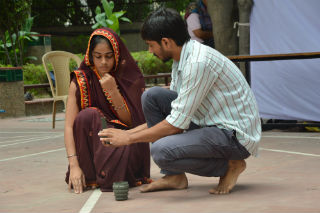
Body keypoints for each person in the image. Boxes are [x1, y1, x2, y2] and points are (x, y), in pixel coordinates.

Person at [99, 8, 261, 195]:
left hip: (234, 135)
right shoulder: (180, 58)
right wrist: (125, 134)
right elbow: (175, 115)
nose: (149, 51)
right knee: (152, 97)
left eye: (151, 45)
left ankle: (230, 164)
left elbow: (175, 125)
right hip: (209, 122)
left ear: (166, 42)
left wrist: (128, 138)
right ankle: (174, 176)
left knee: (161, 151)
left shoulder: (197, 63)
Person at [64, 28, 150, 193]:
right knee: (89, 116)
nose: (103, 62)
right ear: (90, 56)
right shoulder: (81, 80)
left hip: (122, 141)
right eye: (98, 56)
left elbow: (131, 123)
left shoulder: (129, 77)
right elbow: (69, 126)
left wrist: (113, 92)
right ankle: (92, 174)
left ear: (117, 55)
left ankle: (112, 174)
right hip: (92, 148)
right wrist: (74, 166)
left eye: (109, 56)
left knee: (117, 156)